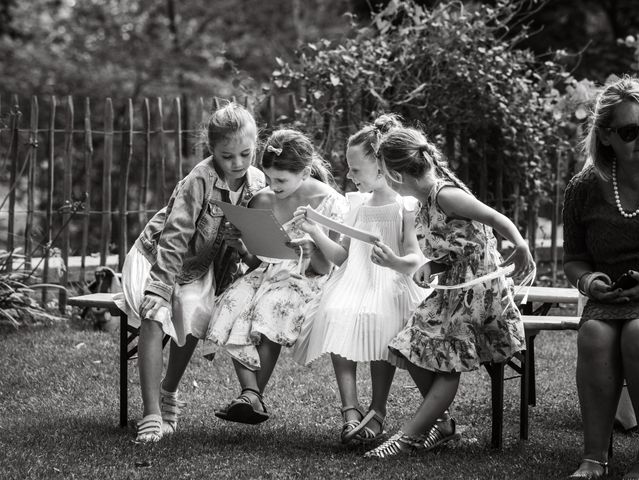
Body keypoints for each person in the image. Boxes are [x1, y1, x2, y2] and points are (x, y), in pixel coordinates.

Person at [362, 123, 535, 458]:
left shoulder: (446, 195)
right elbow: (456, 247)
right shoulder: (425, 202)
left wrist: (521, 244)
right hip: (454, 290)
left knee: (445, 359)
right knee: (407, 345)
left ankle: (410, 436)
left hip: (481, 294)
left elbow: (495, 218)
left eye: (382, 172)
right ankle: (440, 424)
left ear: (396, 175)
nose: (382, 179)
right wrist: (433, 266)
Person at [114, 103, 266, 443]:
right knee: (155, 312)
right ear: (212, 150)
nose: (238, 164)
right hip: (157, 257)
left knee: (197, 312)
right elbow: (175, 236)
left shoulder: (258, 183)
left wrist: (242, 248)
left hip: (197, 265)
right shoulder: (200, 179)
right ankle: (152, 413)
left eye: (245, 153)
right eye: (228, 156)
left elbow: (253, 243)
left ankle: (169, 392)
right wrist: (160, 287)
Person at [292, 115, 430, 444]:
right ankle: (350, 409)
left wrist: (395, 261)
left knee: (381, 319)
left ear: (381, 168)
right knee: (336, 312)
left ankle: (377, 410)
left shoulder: (404, 206)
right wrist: (314, 232)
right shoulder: (357, 203)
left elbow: (415, 255)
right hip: (355, 279)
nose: (349, 176)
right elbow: (341, 256)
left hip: (391, 282)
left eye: (355, 170)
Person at [202, 129, 347, 424]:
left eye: (281, 180)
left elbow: (327, 266)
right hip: (266, 274)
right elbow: (256, 259)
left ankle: (251, 396)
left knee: (271, 307)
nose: (273, 186)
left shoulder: (331, 203)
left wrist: (311, 245)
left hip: (305, 277)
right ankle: (251, 394)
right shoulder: (261, 200)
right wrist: (241, 245)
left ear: (305, 172)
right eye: (269, 178)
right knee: (231, 302)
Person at [562, 75, 639, 480]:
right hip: (608, 295)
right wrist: (590, 282)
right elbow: (573, 258)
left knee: (638, 333)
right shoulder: (584, 188)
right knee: (594, 333)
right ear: (607, 136)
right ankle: (594, 458)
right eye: (631, 131)